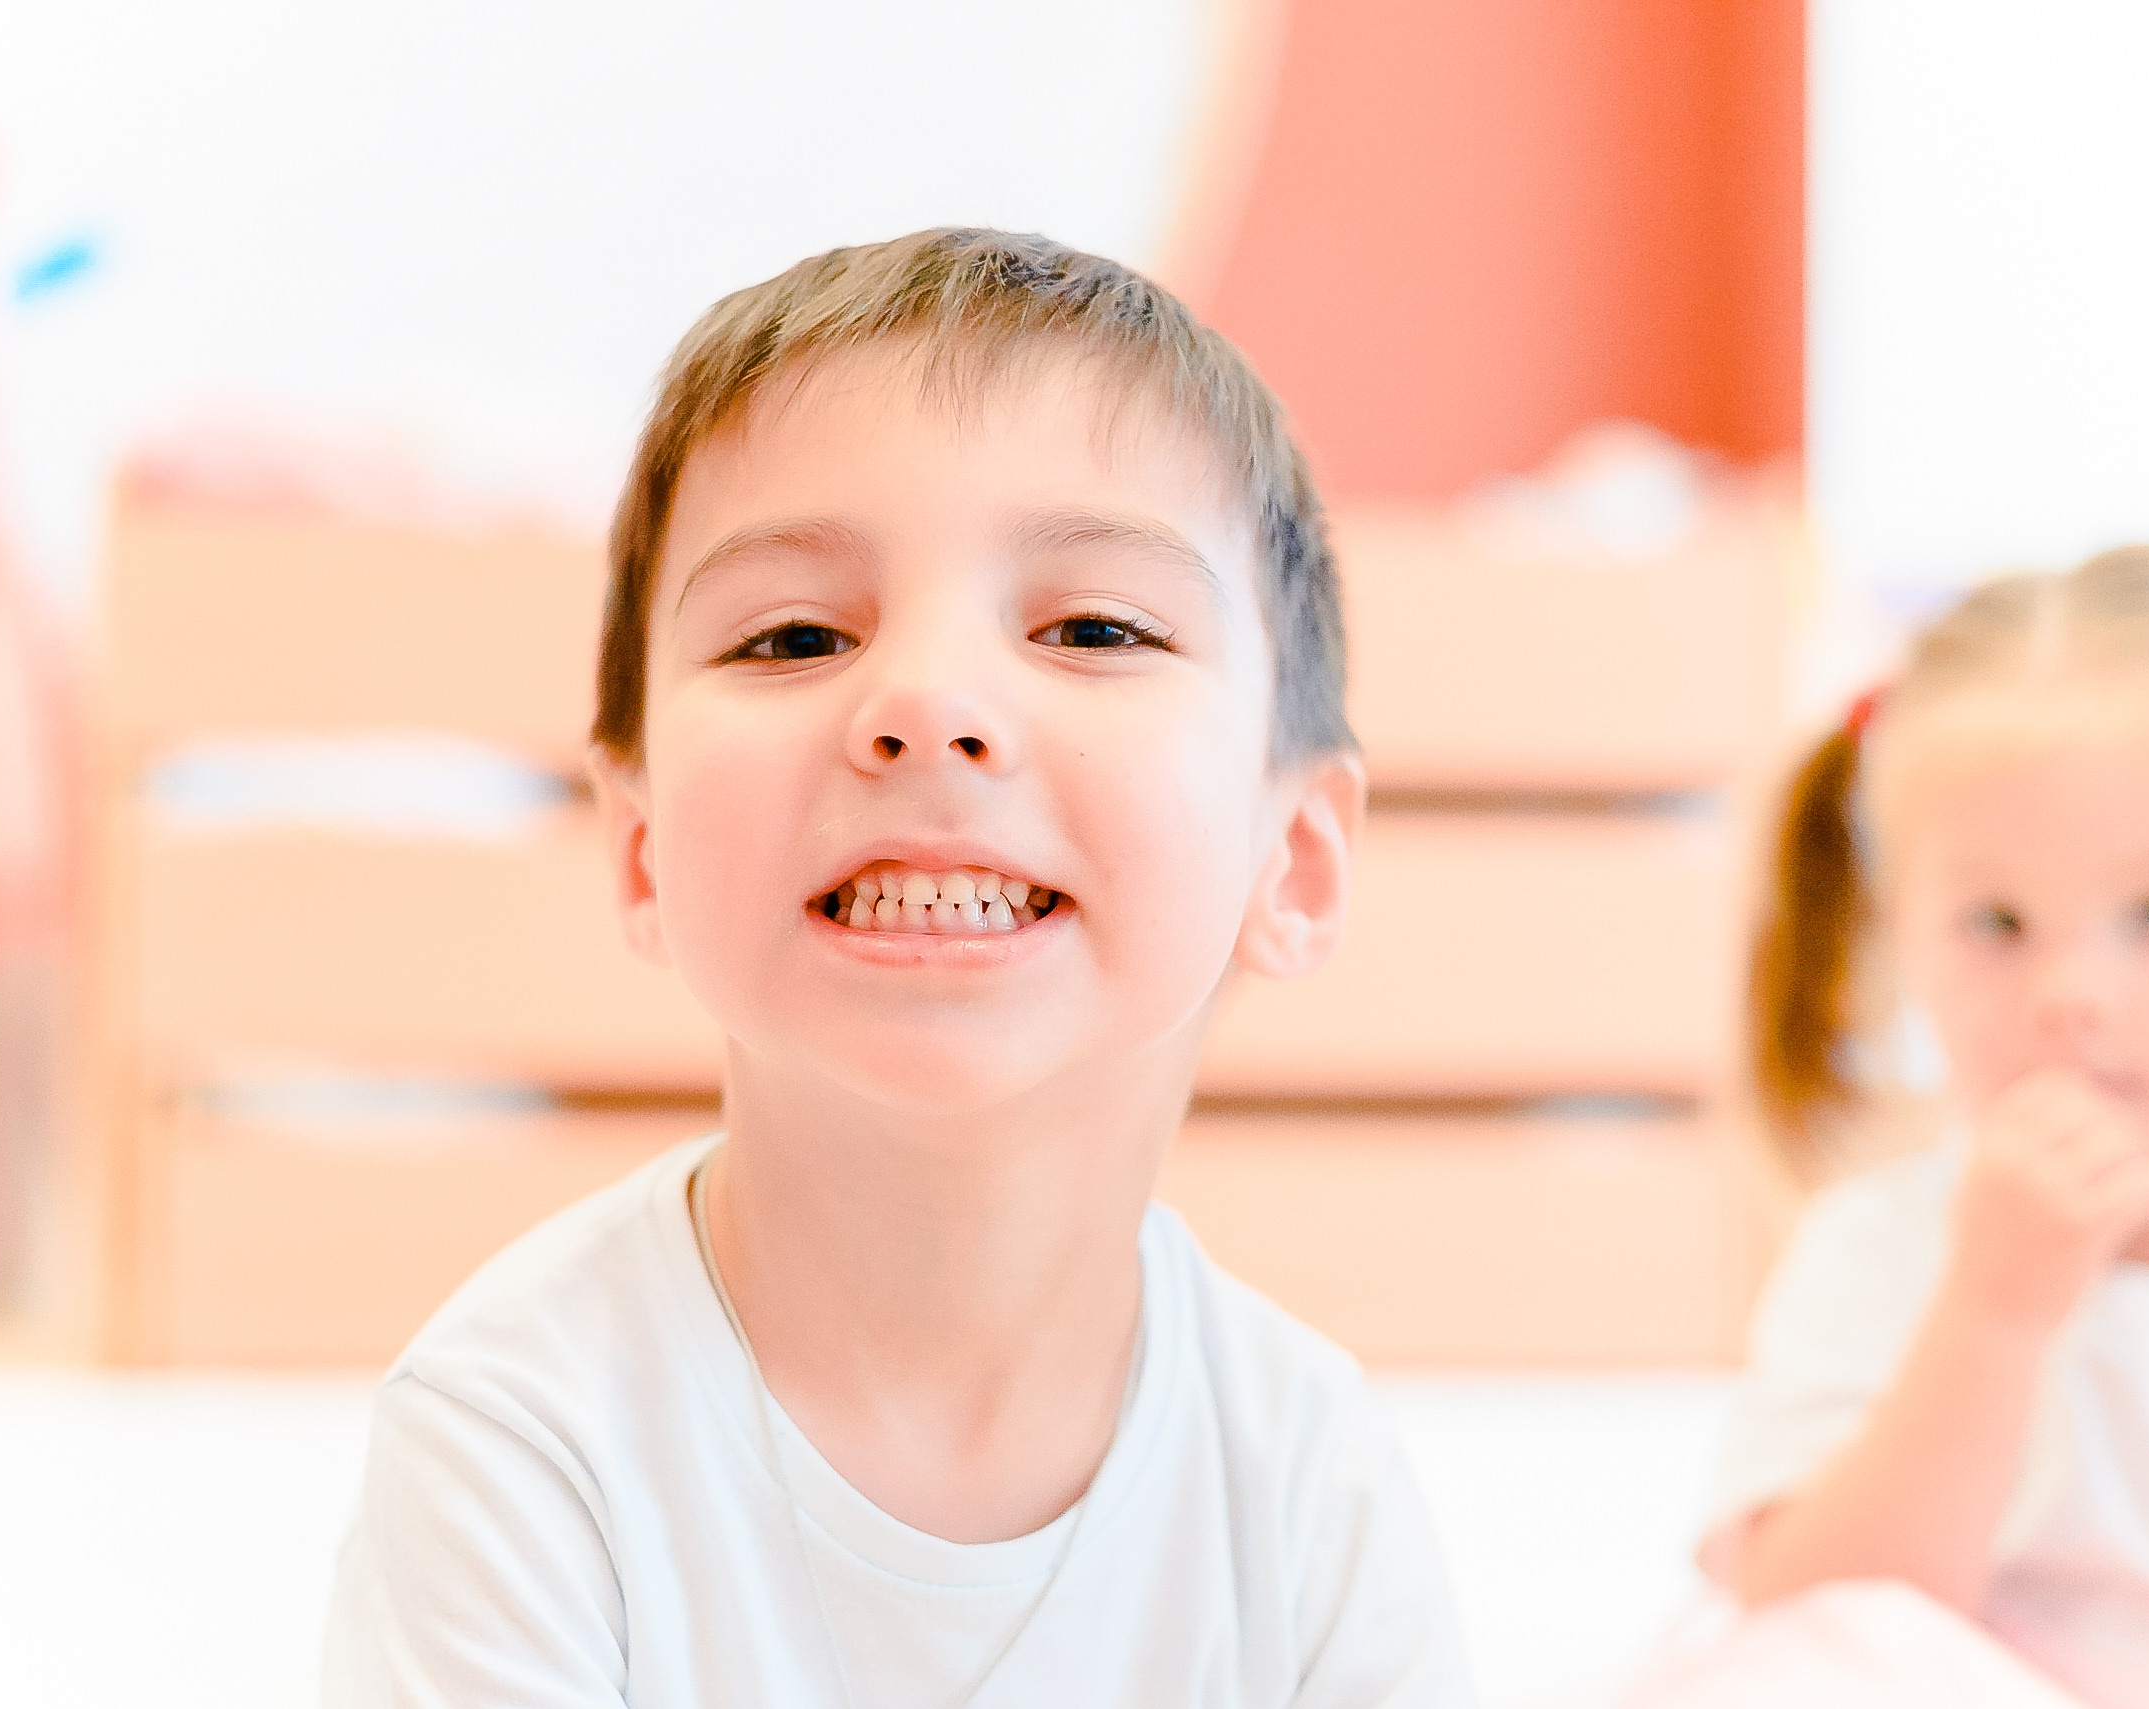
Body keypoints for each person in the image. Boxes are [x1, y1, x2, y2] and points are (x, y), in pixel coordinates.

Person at [321, 229, 1477, 1707]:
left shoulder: (1310, 1486)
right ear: (641, 848)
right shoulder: (522, 1437)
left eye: (1095, 626)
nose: (927, 701)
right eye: (794, 635)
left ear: (1293, 861)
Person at [1634, 545, 2149, 1708]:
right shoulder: (1884, 1245)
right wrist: (1991, 1314)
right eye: (1996, 923)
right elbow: (1814, 1609)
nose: (2069, 993)